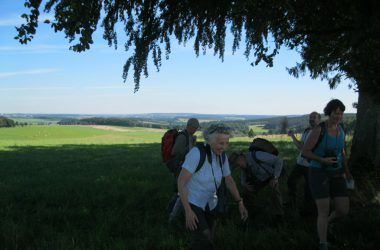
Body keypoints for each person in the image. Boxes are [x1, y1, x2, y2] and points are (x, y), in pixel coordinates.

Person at [177, 124, 248, 250]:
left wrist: (240, 202)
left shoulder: (222, 157)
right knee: (203, 238)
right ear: (209, 141)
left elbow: (229, 180)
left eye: (227, 143)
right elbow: (181, 182)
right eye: (221, 143)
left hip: (210, 202)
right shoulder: (196, 154)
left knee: (210, 237)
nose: (224, 147)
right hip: (192, 201)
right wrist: (188, 211)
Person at [302, 99, 353, 250]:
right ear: (329, 112)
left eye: (341, 113)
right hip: (318, 172)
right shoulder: (319, 129)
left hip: (337, 172)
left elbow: (342, 151)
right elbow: (305, 151)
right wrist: (321, 160)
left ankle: (325, 223)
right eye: (336, 113)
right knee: (323, 210)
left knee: (343, 209)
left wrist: (347, 170)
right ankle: (323, 243)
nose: (338, 116)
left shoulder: (341, 128)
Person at [229, 147, 284, 224]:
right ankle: (249, 213)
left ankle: (279, 215)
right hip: (261, 178)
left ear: (240, 158)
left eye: (237, 165)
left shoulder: (257, 155)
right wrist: (245, 184)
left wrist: (275, 177)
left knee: (275, 189)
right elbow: (243, 177)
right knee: (247, 191)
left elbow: (279, 160)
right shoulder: (243, 165)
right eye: (236, 166)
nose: (238, 167)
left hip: (272, 175)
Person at [287, 111, 321, 216]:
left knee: (309, 189)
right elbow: (300, 146)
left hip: (311, 165)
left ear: (319, 120)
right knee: (290, 181)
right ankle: (293, 203)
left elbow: (304, 148)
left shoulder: (320, 132)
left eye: (313, 118)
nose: (311, 120)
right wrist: (292, 136)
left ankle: (307, 211)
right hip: (300, 162)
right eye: (310, 118)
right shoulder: (306, 131)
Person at [168, 118, 200, 222]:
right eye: (194, 127)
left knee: (180, 190)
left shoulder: (189, 136)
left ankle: (173, 211)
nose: (195, 130)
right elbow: (174, 152)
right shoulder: (182, 137)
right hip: (179, 167)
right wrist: (187, 153)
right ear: (189, 126)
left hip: (184, 167)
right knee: (180, 190)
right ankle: (172, 216)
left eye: (196, 128)